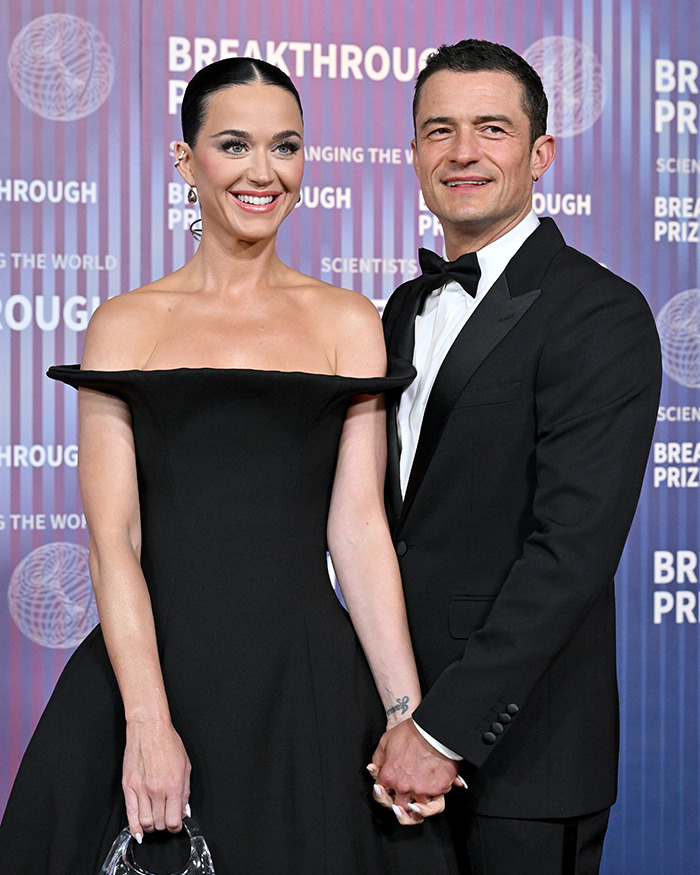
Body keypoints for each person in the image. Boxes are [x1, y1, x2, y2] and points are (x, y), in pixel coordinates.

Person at [0, 58, 458, 874]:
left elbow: (358, 531)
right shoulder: (125, 324)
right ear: (187, 162)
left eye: (285, 146)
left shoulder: (347, 322)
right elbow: (115, 540)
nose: (263, 171)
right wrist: (147, 720)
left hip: (305, 683)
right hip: (154, 669)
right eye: (234, 144)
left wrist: (406, 716)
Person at [370, 39, 662, 875]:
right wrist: (396, 719)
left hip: (521, 758)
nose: (463, 152)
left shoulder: (598, 312)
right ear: (416, 153)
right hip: (385, 744)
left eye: (491, 128)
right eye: (439, 130)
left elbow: (569, 553)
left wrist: (442, 730)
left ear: (541, 155)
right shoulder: (398, 310)